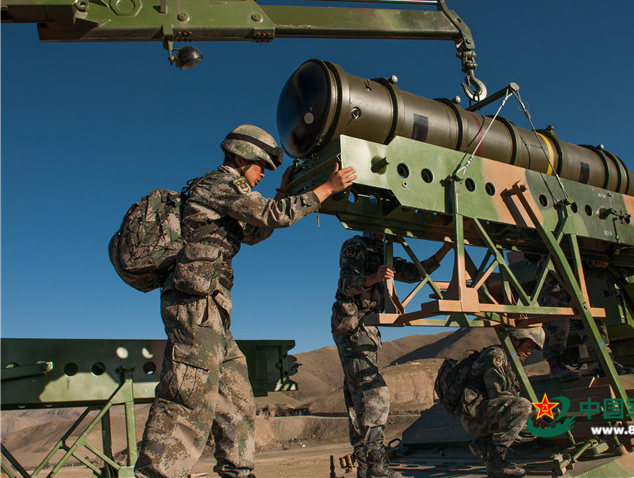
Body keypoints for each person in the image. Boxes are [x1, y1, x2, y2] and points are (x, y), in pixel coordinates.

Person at [135, 124, 357, 478]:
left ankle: (237, 470)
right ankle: (159, 473)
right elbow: (272, 215)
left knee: (236, 398)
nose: (263, 174)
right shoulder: (219, 183)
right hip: (194, 305)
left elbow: (254, 231)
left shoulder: (225, 193)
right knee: (188, 393)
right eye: (261, 166)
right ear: (241, 157)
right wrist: (326, 189)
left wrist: (283, 191)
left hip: (212, 310)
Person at [332, 233, 451, 478]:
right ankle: (374, 461)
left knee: (358, 397)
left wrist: (446, 248)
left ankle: (366, 465)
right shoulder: (357, 246)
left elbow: (416, 272)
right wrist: (374, 277)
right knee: (375, 393)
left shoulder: (385, 253)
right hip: (352, 322)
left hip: (367, 325)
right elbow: (346, 283)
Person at [460, 327, 545, 478]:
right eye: (528, 346)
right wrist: (530, 412)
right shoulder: (496, 356)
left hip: (490, 413)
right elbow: (497, 393)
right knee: (523, 406)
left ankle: (484, 444)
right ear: (516, 340)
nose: (529, 352)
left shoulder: (512, 361)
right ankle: (495, 462)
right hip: (476, 416)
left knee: (533, 428)